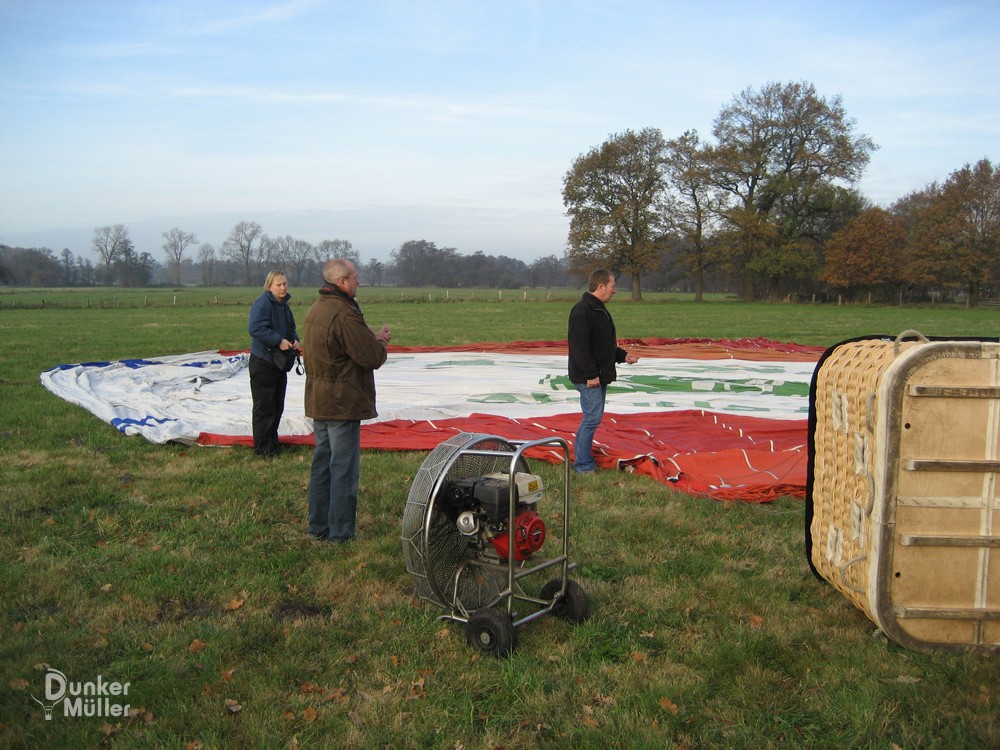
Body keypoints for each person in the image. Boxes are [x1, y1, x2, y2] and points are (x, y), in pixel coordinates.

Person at [304, 259, 391, 543]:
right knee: (343, 469)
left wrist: (370, 337)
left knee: (322, 465)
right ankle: (340, 533)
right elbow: (370, 356)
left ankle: (318, 527)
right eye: (355, 277)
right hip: (341, 403)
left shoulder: (317, 309)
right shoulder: (343, 313)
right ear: (342, 282)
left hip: (320, 401)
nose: (359, 281)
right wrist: (380, 343)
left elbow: (345, 345)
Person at [567, 268, 639, 474]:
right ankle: (582, 465)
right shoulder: (583, 311)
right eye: (612, 286)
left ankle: (583, 459)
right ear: (600, 287)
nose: (614, 291)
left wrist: (623, 356)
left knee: (592, 417)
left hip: (596, 375)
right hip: (589, 377)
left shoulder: (597, 309)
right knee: (592, 418)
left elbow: (602, 345)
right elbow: (580, 347)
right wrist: (590, 375)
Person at [248, 270, 299, 457]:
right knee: (264, 406)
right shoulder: (263, 304)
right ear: (269, 286)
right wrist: (278, 340)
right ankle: (262, 448)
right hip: (263, 362)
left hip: (278, 363)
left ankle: (272, 442)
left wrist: (294, 339)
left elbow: (291, 327)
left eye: (285, 284)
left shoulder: (284, 306)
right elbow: (254, 328)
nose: (283, 288)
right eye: (279, 284)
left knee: (277, 405)